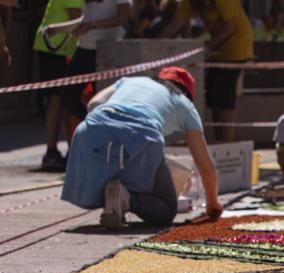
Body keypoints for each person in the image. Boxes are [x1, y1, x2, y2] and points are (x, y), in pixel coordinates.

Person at [62, 67, 222, 229]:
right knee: (165, 210)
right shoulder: (185, 105)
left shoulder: (129, 81)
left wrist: (110, 129)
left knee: (115, 164)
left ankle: (116, 199)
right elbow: (207, 168)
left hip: (91, 130)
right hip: (143, 135)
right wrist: (212, 204)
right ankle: (127, 199)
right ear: (188, 93)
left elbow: (93, 104)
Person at [158, 0, 253, 143]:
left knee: (223, 94)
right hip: (217, 51)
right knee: (214, 95)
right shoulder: (188, 2)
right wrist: (155, 41)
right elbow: (175, 23)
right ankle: (219, 139)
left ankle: (226, 142)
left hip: (236, 48)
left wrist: (207, 46)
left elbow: (230, 25)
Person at [44, 0, 131, 129]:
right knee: (68, 97)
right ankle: (99, 126)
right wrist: (59, 28)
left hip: (107, 49)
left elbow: (123, 17)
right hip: (84, 49)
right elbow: (85, 21)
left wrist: (93, 26)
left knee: (102, 99)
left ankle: (103, 130)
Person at [33, 0, 83, 171]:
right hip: (55, 47)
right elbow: (79, 22)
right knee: (57, 99)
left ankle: (59, 149)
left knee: (62, 100)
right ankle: (52, 151)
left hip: (59, 47)